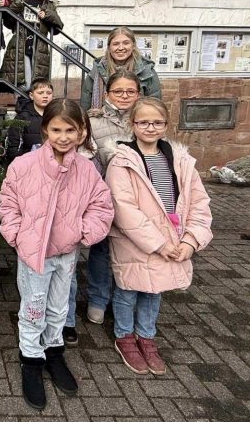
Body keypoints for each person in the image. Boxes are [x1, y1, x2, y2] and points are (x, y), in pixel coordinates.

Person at [0, 99, 113, 409]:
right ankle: (31, 359)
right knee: (33, 308)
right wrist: (17, 234)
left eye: (70, 130)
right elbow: (8, 203)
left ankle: (53, 351)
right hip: (34, 255)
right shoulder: (23, 166)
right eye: (56, 129)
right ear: (45, 129)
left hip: (66, 254)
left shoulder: (87, 170)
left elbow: (101, 206)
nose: (63, 137)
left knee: (59, 306)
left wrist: (83, 232)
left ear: (81, 132)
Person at [106, 97, 212, 376]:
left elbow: (199, 203)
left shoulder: (181, 161)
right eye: (143, 122)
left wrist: (191, 240)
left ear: (166, 125)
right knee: (129, 290)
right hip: (135, 240)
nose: (150, 128)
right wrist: (157, 243)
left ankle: (146, 336)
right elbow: (123, 207)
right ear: (133, 125)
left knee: (154, 292)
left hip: (174, 237)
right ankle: (125, 336)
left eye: (157, 122)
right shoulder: (122, 161)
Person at [64, 70, 142, 345]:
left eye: (129, 91)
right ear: (107, 94)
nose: (124, 96)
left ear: (138, 94)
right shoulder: (94, 123)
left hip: (135, 200)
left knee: (127, 249)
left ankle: (121, 300)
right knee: (99, 249)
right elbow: (86, 157)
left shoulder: (142, 121)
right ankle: (97, 299)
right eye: (118, 91)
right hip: (102, 195)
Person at [0, 0, 64, 90]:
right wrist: (15, 9)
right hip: (21, 45)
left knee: (35, 83)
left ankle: (26, 105)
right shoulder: (22, 0)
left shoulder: (49, 4)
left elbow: (58, 27)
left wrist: (47, 15)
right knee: (24, 82)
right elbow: (8, 22)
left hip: (39, 47)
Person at [80, 26, 162, 111]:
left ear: (133, 45)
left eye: (126, 43)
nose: (121, 48)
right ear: (109, 47)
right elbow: (85, 107)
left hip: (135, 121)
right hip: (103, 121)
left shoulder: (147, 71)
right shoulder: (96, 72)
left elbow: (155, 107)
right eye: (115, 44)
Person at [6, 77, 54, 162]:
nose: (45, 96)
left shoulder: (56, 115)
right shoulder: (22, 117)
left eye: (49, 93)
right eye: (40, 93)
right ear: (31, 95)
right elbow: (14, 144)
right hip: (28, 163)